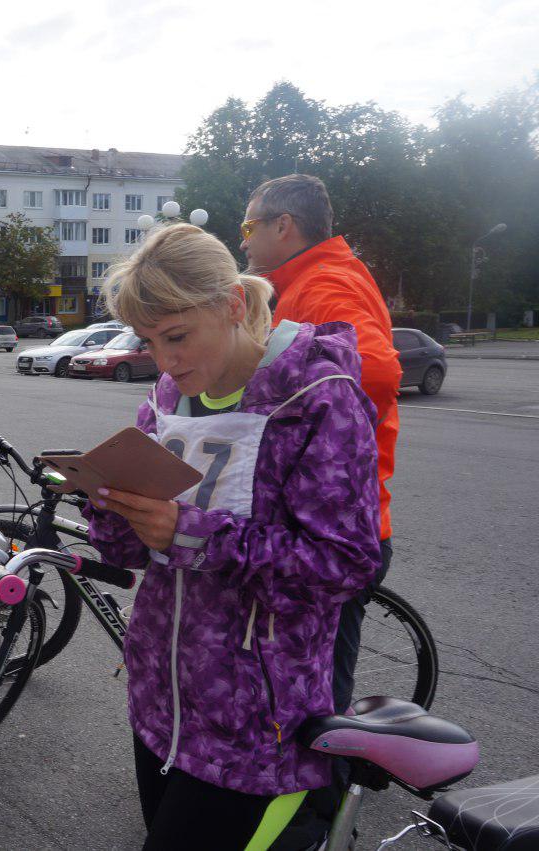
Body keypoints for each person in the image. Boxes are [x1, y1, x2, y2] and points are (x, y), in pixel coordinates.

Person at [80, 224, 381, 850]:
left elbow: (346, 564)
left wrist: (193, 533)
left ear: (233, 306)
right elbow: (136, 554)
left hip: (256, 726)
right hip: (164, 706)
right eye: (152, 341)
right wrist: (110, 507)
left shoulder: (319, 399)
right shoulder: (169, 396)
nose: (166, 361)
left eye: (179, 337)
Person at [240, 176, 404, 848]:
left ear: (284, 226)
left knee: (314, 697)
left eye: (249, 226)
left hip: (333, 528)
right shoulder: (300, 281)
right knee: (293, 682)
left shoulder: (327, 280)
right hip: (304, 515)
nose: (242, 238)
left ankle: (319, 824)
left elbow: (378, 372)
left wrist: (272, 376)